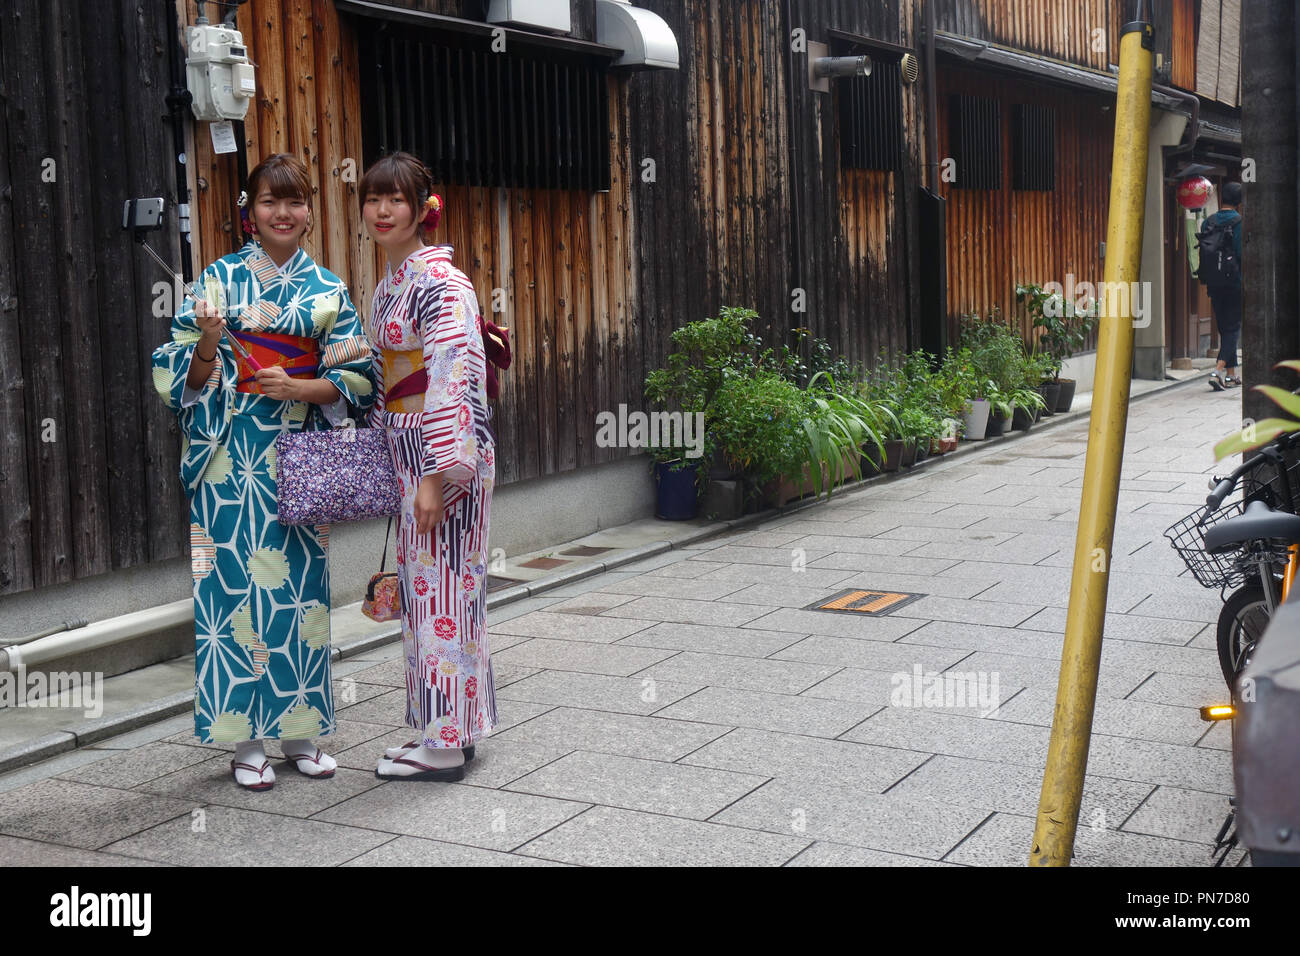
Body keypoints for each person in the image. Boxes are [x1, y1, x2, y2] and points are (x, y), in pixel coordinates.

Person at [151, 153, 376, 790]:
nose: (283, 213)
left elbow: (360, 377)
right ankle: (242, 739)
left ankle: (300, 732)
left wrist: (300, 388)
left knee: (299, 591)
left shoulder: (327, 289)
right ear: (250, 213)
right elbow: (178, 380)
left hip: (296, 457)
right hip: (227, 458)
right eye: (269, 202)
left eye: (295, 201)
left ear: (309, 211)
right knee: (228, 593)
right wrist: (204, 342)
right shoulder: (215, 282)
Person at [359, 152, 497, 781]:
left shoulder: (442, 283)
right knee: (427, 594)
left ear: (423, 208)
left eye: (397, 198)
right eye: (373, 198)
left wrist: (437, 477)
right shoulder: (395, 280)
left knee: (444, 592)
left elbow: (452, 375)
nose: (383, 210)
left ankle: (444, 745)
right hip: (408, 441)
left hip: (439, 452)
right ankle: (444, 730)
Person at [1202, 181, 1244, 390]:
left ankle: (1231, 375)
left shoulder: (1208, 222)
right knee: (1233, 327)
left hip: (1214, 281)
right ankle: (1217, 371)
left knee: (1224, 326)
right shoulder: (1239, 222)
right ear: (1239, 201)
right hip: (1234, 282)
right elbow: (1240, 253)